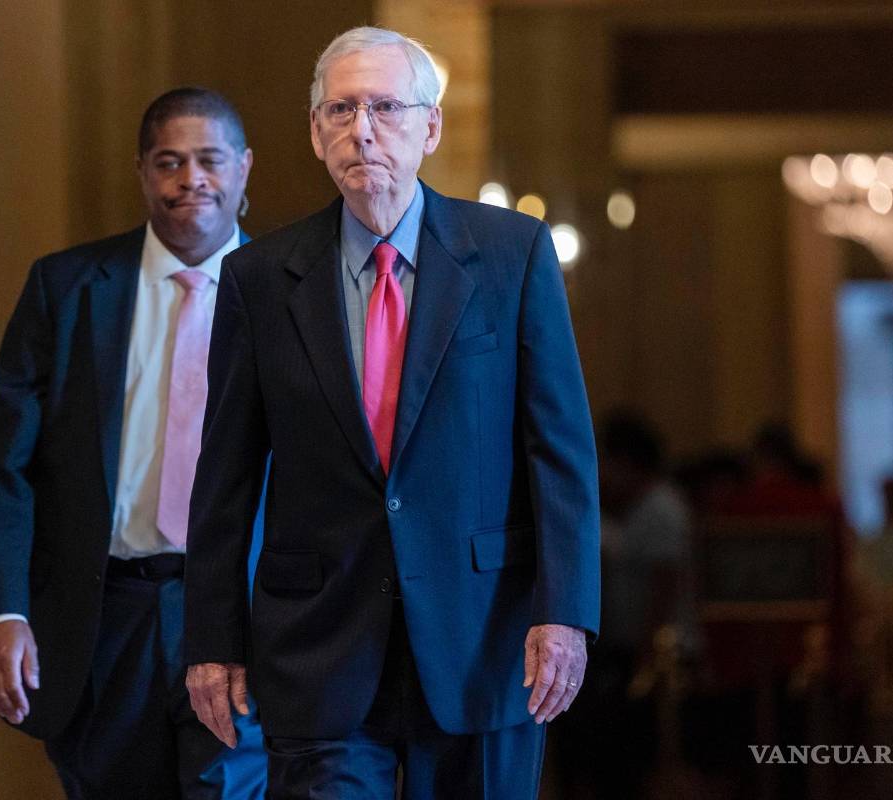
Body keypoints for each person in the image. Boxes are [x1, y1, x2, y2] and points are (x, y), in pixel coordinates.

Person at [182, 26, 600, 800]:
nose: (361, 130)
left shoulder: (512, 254)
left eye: (384, 107)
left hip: (482, 637)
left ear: (430, 127)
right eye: (339, 110)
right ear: (314, 133)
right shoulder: (259, 278)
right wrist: (212, 639)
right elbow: (226, 477)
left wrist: (565, 611)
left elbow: (560, 453)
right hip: (319, 644)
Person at [0, 87, 266, 799]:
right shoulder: (67, 288)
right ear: (142, 172)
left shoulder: (291, 294)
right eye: (168, 161)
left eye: (208, 160)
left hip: (240, 621)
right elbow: (4, 465)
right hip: (108, 620)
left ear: (244, 169)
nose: (190, 178)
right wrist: (2, 612)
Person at [555, 411, 697, 799]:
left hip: (651, 651)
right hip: (626, 647)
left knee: (635, 760)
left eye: (608, 460)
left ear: (628, 461)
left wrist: (646, 654)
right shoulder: (627, 511)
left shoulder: (662, 509)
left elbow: (664, 586)